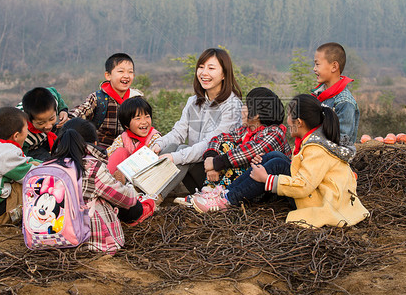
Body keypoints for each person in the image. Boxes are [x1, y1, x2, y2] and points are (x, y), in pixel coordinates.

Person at [192, 94, 369, 228]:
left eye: (290, 116)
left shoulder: (316, 149)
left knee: (277, 164)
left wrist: (267, 179)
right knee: (275, 158)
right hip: (317, 194)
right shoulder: (311, 141)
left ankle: (228, 200)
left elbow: (304, 185)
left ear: (298, 122)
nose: (287, 121)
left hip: (323, 202)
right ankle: (224, 194)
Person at [53, 118, 159, 255]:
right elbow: (126, 199)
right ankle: (145, 205)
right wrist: (127, 188)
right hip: (88, 241)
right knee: (126, 200)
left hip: (50, 235)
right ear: (95, 144)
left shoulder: (49, 165)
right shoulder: (91, 167)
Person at [175, 87, 291, 206]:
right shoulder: (245, 130)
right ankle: (209, 192)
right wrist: (211, 158)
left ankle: (218, 197)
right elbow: (218, 139)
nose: (242, 109)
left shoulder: (275, 133)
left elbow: (248, 152)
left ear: (256, 115)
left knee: (240, 158)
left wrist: (216, 163)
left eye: (246, 105)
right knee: (226, 145)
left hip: (259, 192)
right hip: (241, 185)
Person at [151, 48, 243, 197]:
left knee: (181, 151)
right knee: (172, 145)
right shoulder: (193, 102)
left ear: (224, 74)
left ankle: (154, 198)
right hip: (194, 168)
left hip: (217, 175)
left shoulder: (232, 106)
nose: (204, 73)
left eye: (211, 68)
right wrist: (158, 145)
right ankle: (142, 190)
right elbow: (178, 133)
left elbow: (210, 144)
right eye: (201, 67)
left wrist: (175, 157)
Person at [69, 53, 143, 149]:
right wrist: (69, 118)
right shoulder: (98, 98)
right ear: (108, 75)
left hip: (128, 150)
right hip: (100, 151)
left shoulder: (136, 99)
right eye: (121, 71)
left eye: (130, 72)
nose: (126, 76)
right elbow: (82, 110)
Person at [311, 42, 359, 151]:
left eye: (317, 64)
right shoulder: (318, 95)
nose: (314, 69)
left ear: (334, 66)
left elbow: (341, 141)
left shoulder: (344, 102)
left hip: (331, 159)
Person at [106, 96, 162, 175]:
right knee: (120, 152)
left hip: (145, 175)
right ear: (126, 125)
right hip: (122, 173)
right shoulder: (123, 137)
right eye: (138, 118)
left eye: (147, 117)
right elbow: (111, 155)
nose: (144, 122)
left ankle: (124, 180)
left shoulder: (154, 137)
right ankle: (106, 179)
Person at [20, 87, 69, 160]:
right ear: (29, 120)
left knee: (69, 128)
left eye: (51, 119)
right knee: (48, 161)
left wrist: (63, 110)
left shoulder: (51, 100)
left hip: (45, 135)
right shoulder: (24, 134)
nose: (48, 126)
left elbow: (54, 92)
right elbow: (21, 156)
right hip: (33, 149)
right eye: (41, 123)